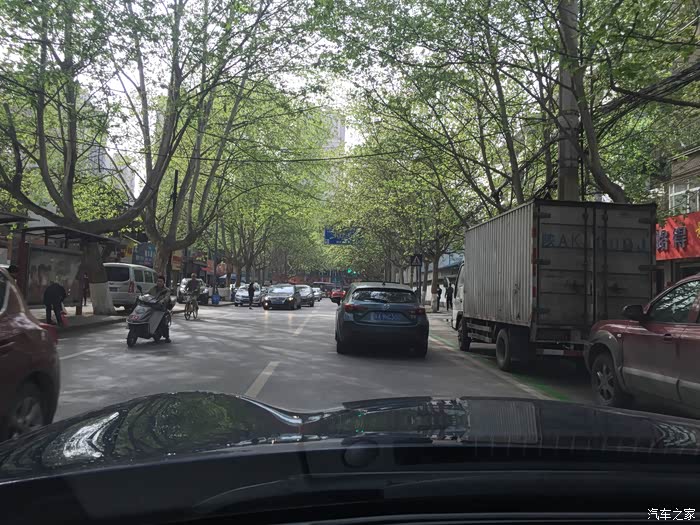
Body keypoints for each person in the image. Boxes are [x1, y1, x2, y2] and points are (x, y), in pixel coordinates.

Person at [147, 275, 172, 343]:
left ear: (164, 282)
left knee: (163, 322)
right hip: (152, 307)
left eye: (161, 281)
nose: (159, 282)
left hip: (162, 308)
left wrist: (162, 301)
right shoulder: (153, 288)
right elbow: (147, 294)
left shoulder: (167, 290)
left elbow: (166, 298)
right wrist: (142, 296)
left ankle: (167, 337)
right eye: (158, 281)